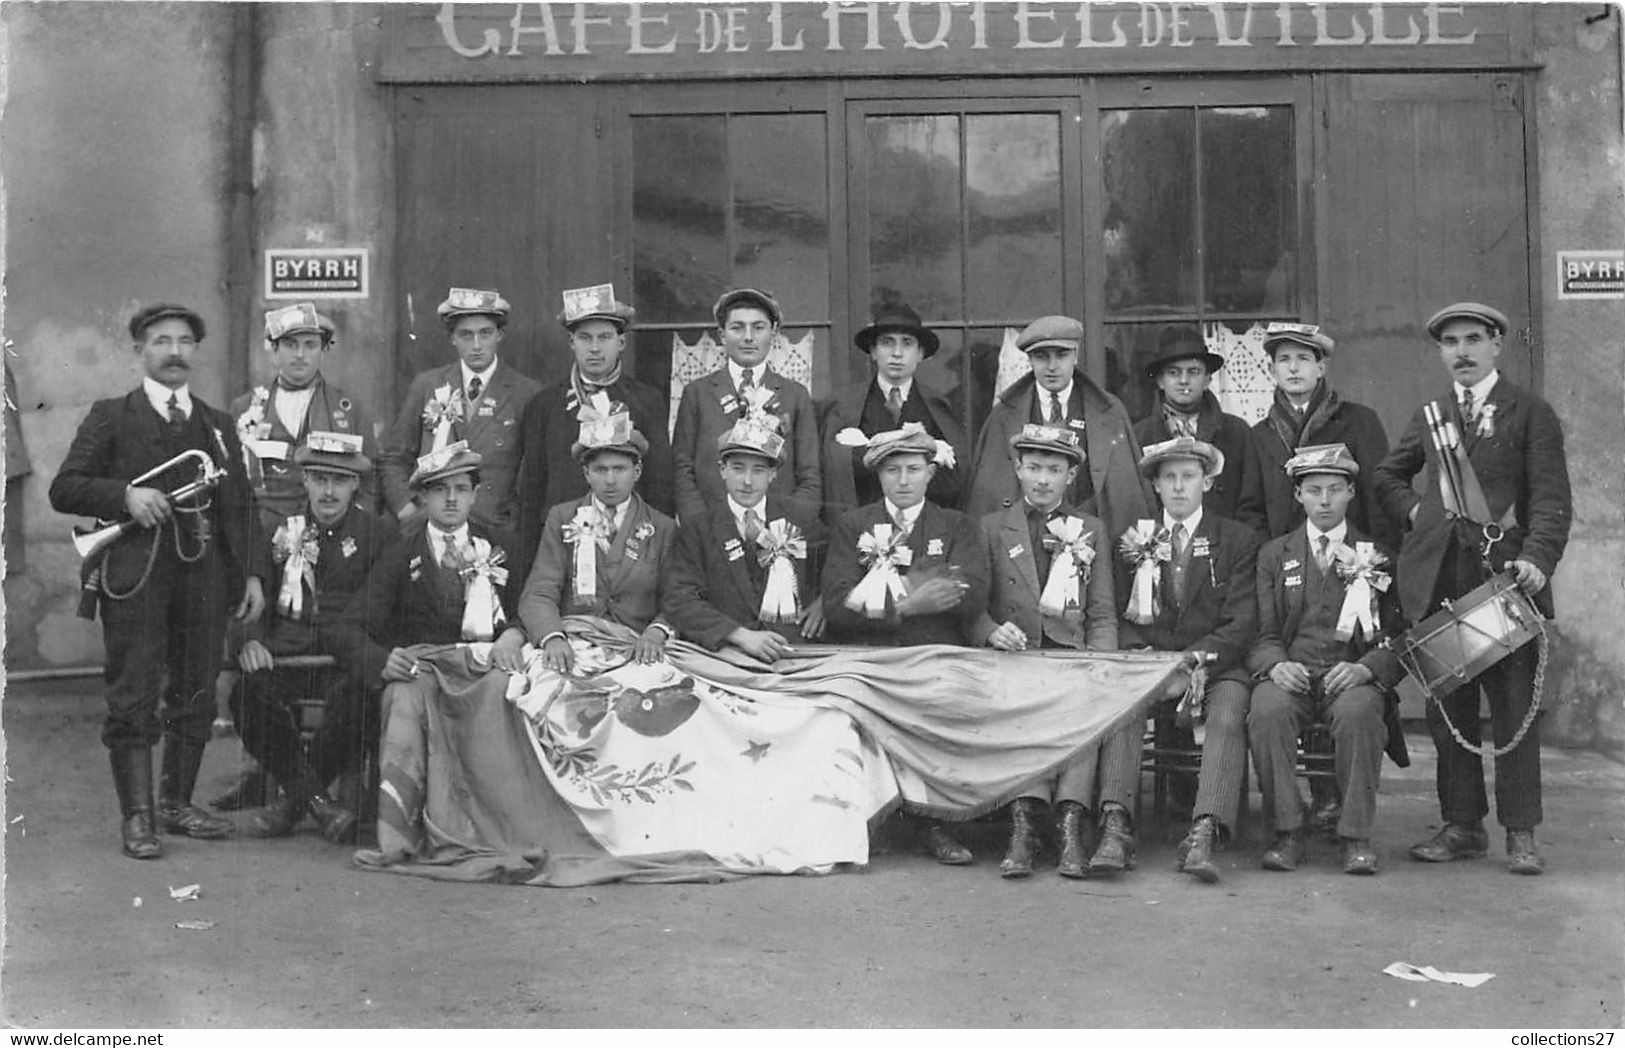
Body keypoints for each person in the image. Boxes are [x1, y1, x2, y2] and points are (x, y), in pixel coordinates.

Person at [49, 303, 266, 859]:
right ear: (140, 351)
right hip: (136, 577)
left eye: (184, 342)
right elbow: (65, 487)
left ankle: (175, 803)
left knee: (195, 692)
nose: (174, 352)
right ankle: (138, 818)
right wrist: (125, 495)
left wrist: (253, 576)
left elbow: (238, 507)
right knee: (134, 695)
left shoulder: (217, 426)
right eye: (162, 341)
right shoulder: (111, 416)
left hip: (204, 578)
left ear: (195, 351)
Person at [1374, 301, 1572, 875]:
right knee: (1451, 715)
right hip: (1442, 583)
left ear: (1496, 345)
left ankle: (1521, 832)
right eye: (1450, 342)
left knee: (1515, 712)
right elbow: (1389, 475)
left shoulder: (1531, 413)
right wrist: (1419, 514)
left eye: (1472, 340)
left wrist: (1537, 559)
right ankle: (1462, 825)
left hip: (1505, 580)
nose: (1460, 351)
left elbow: (1552, 500)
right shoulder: (1432, 413)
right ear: (1440, 352)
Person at [339, 441, 529, 860]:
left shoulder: (502, 546)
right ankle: (399, 836)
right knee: (401, 697)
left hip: (483, 668)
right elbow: (350, 625)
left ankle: (496, 829)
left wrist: (514, 632)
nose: (451, 499)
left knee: (507, 693)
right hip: (424, 671)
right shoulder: (401, 552)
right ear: (422, 496)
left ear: (475, 494)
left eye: (461, 489)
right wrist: (381, 660)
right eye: (439, 489)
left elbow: (530, 608)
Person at [972, 424, 1138, 880]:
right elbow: (973, 606)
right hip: (1017, 655)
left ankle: (1069, 823)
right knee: (1024, 707)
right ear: (1019, 470)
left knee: (1083, 707)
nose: (1043, 479)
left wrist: (1100, 663)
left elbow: (1102, 610)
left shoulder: (1090, 529)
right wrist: (990, 631)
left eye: (1054, 469)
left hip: (1073, 656)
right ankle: (1024, 825)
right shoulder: (992, 528)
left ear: (1070, 477)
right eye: (1034, 468)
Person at [822, 424, 990, 865]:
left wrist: (887, 594)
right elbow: (839, 605)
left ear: (930, 473)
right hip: (871, 654)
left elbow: (970, 591)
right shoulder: (854, 526)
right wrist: (909, 604)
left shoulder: (954, 525)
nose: (903, 480)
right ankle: (875, 816)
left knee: (944, 697)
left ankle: (936, 821)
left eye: (913, 469)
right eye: (892, 470)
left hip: (935, 651)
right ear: (878, 476)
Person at [1246, 443, 1406, 876]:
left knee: (1359, 713)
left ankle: (1355, 836)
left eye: (1334, 489)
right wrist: (1276, 664)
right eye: (1313, 489)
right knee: (1267, 710)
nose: (1323, 500)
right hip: (1292, 672)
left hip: (1348, 676)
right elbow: (1261, 633)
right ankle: (1287, 831)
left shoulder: (1378, 555)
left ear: (1352, 492)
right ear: (1298, 495)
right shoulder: (1274, 555)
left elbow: (1396, 635)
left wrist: (1366, 668)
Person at [231, 432, 396, 841]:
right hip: (285, 656)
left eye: (339, 481)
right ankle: (320, 804)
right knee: (246, 696)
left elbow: (379, 610)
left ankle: (293, 802)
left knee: (363, 700)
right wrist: (250, 639)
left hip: (344, 661)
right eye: (319, 479)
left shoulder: (378, 534)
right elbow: (253, 594)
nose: (328, 491)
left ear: (355, 484)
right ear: (303, 480)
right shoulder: (277, 529)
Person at [1114, 436, 1260, 884]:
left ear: (1207, 482)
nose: (1179, 487)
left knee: (1229, 711)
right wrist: (1151, 661)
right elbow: (1119, 614)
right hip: (1152, 665)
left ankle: (1204, 830)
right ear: (1156, 486)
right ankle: (1114, 824)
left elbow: (1241, 623)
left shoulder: (1235, 539)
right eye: (1169, 478)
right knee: (1122, 709)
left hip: (1217, 665)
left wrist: (1193, 661)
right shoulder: (1134, 539)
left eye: (1189, 477)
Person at [517, 287, 673, 583]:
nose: (595, 348)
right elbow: (532, 489)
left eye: (605, 337)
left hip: (629, 551)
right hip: (565, 546)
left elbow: (661, 486)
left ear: (622, 342)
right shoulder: (545, 405)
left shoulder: (646, 401)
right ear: (571, 342)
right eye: (585, 338)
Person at [966, 315, 1151, 546]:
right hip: (1025, 545)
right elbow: (988, 496)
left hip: (1092, 541)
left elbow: (1128, 495)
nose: (1052, 367)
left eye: (1062, 355)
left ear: (1076, 355)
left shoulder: (1108, 412)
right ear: (1030, 359)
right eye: (1041, 357)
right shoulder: (1005, 415)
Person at [519, 413, 678, 677]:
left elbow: (677, 597)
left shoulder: (662, 527)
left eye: (620, 469)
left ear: (637, 471)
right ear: (586, 473)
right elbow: (540, 590)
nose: (611, 480)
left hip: (637, 646)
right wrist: (552, 637)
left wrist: (656, 632)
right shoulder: (562, 518)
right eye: (600, 470)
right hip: (575, 642)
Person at [664, 415, 827, 662]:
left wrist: (825, 602)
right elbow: (680, 600)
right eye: (738, 468)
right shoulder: (698, 528)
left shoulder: (798, 519)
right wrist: (739, 635)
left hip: (791, 653)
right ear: (722, 470)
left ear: (773, 474)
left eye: (759, 470)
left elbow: (840, 563)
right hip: (726, 655)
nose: (748, 481)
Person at [380, 288, 541, 532]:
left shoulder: (525, 393)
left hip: (492, 529)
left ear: (500, 334)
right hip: (428, 526)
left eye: (485, 334)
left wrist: (511, 524)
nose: (476, 345)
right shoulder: (427, 385)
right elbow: (394, 459)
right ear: (452, 338)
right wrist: (407, 509)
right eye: (466, 335)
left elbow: (533, 473)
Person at [1236, 324, 1397, 550]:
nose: (1293, 368)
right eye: (1284, 359)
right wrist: (1270, 559)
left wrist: (1375, 561)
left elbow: (1378, 500)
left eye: (1303, 358)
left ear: (1320, 368)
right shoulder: (1260, 435)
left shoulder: (1359, 422)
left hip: (1351, 558)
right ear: (1272, 371)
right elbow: (1251, 511)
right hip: (1285, 561)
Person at [671, 287, 819, 526]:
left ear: (773, 334)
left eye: (758, 327)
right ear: (721, 335)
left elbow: (810, 476)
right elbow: (682, 471)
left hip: (778, 534)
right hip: (711, 533)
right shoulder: (698, 393)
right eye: (737, 327)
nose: (748, 337)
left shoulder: (795, 395)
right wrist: (701, 528)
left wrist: (784, 531)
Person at [230, 303, 379, 525]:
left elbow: (370, 479)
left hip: (330, 527)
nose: (300, 355)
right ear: (274, 349)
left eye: (310, 345)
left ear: (323, 351)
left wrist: (355, 525)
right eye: (290, 345)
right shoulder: (244, 408)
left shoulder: (349, 409)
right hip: (263, 529)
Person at [819, 302, 967, 523]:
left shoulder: (939, 406)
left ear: (920, 353)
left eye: (907, 344)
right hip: (862, 528)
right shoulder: (843, 406)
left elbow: (953, 479)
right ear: (873, 351)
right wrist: (926, 450)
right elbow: (832, 470)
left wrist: (867, 449)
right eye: (887, 343)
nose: (897, 353)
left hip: (922, 527)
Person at [1132, 325, 1250, 521]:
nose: (1184, 380)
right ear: (1160, 381)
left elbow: (1250, 505)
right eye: (1174, 372)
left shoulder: (1236, 432)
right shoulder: (1138, 436)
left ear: (1207, 380)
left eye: (1193, 372)